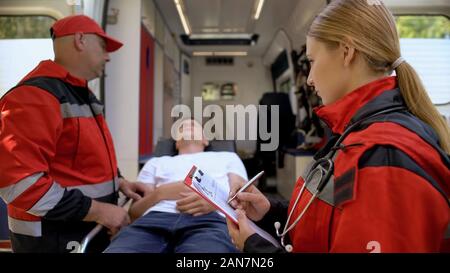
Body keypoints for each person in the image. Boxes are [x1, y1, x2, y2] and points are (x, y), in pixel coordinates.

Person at [227, 0, 450, 253]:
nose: (309, 79)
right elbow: (333, 219)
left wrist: (255, 249)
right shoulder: (356, 138)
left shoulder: (382, 158)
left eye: (312, 60)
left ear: (346, 51)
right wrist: (270, 212)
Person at [0, 15, 150, 253]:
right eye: (103, 47)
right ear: (80, 40)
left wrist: (120, 183)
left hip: (83, 230)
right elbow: (20, 185)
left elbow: (81, 158)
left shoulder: (82, 95)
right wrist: (101, 211)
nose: (108, 56)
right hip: (52, 239)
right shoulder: (34, 96)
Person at [104, 119, 248, 253]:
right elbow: (134, 213)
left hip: (210, 221)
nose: (188, 126)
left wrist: (215, 202)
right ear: (177, 142)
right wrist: (160, 193)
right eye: (182, 127)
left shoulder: (227, 157)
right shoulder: (156, 162)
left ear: (205, 140)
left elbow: (243, 198)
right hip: (152, 221)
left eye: (194, 125)